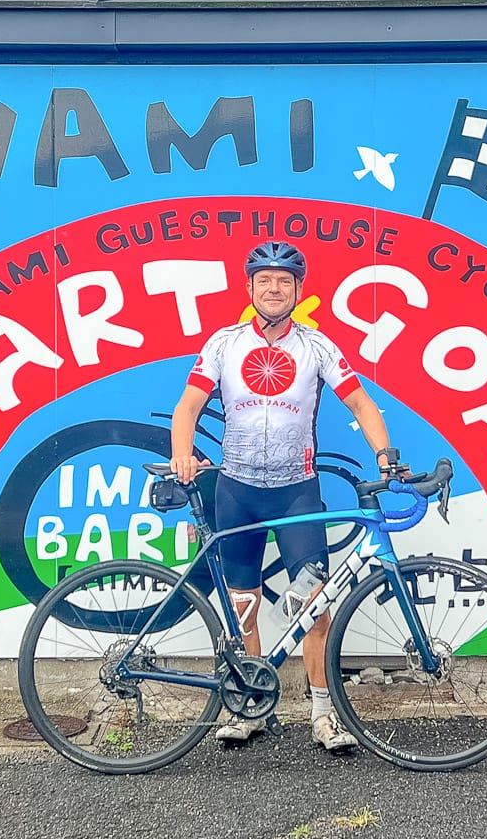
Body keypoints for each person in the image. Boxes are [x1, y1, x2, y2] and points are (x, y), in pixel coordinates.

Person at [169, 240, 396, 752]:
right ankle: (251, 708)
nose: (274, 289)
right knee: (243, 602)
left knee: (316, 604)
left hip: (296, 491)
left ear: (299, 290)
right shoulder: (223, 344)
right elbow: (187, 407)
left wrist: (385, 455)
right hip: (237, 490)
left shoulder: (317, 347)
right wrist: (183, 453)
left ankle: (323, 715)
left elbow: (360, 402)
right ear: (249, 288)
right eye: (265, 280)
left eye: (285, 281)